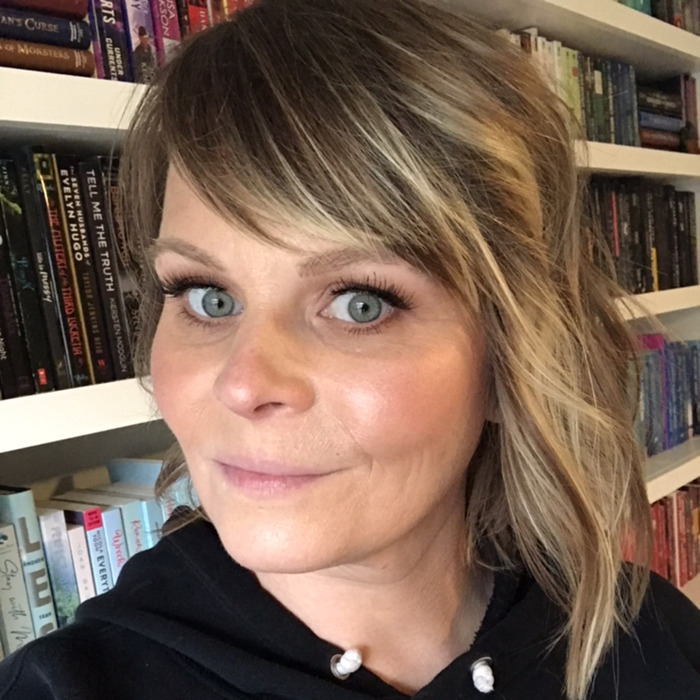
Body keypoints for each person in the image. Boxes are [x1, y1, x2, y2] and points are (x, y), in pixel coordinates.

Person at [1, 1, 699, 698]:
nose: (243, 384)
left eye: (360, 304)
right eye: (207, 296)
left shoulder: (651, 642)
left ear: (511, 356)